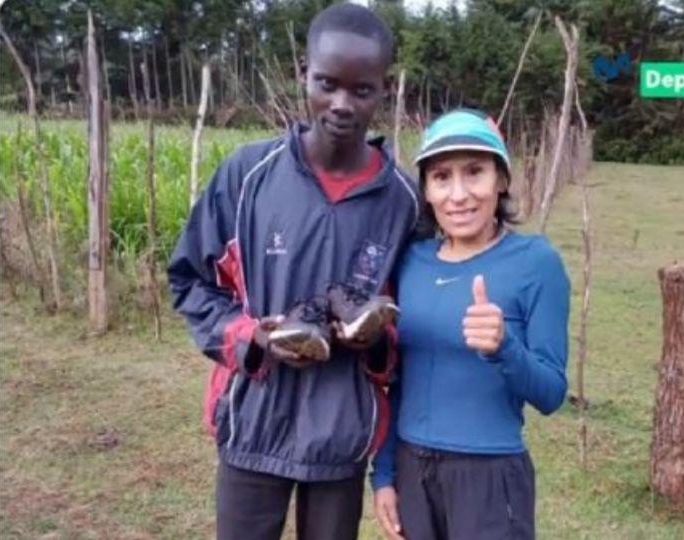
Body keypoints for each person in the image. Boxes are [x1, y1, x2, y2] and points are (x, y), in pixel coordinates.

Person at [166, 4, 419, 540]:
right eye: (327, 83)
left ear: (385, 89)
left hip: (341, 439)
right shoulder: (247, 177)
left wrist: (375, 343)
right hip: (251, 424)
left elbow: (412, 321)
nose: (342, 104)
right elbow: (189, 280)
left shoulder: (403, 203)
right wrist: (252, 337)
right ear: (302, 74)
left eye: (362, 90)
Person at [370, 109, 571, 540]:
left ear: (501, 179)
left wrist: (505, 347)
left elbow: (552, 393)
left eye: (474, 172)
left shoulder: (536, 264)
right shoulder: (409, 262)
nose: (458, 194)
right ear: (426, 190)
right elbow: (399, 380)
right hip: (412, 470)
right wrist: (384, 474)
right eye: (442, 177)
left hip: (490, 478)